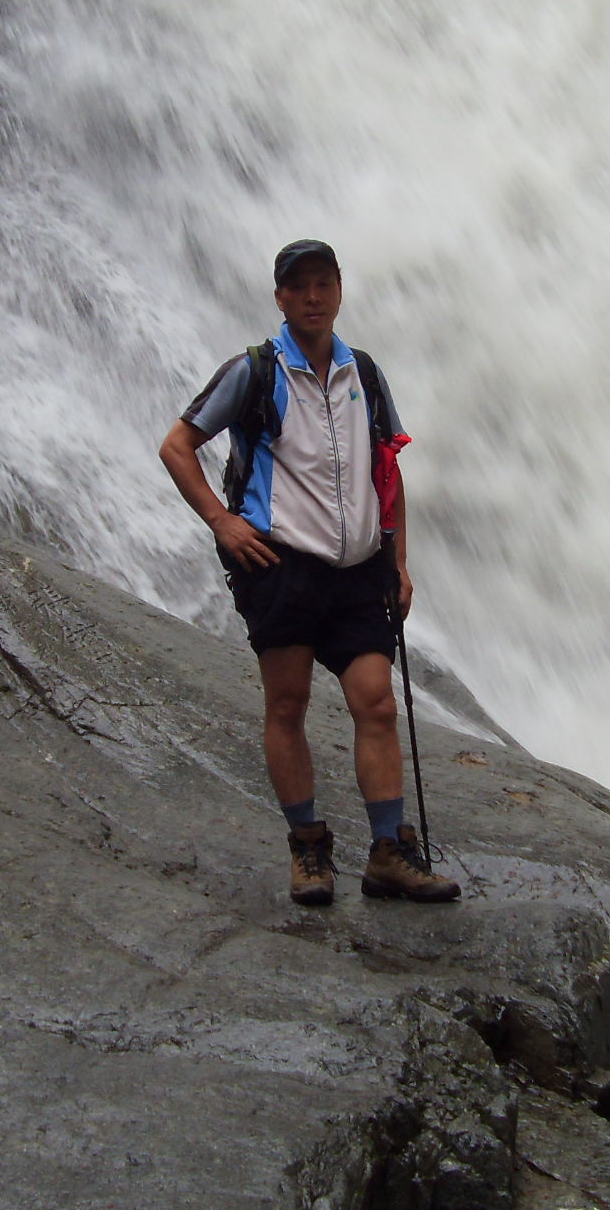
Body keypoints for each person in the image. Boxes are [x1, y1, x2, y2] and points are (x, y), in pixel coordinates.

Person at [158, 239, 459, 906]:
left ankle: (388, 853)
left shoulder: (366, 375)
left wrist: (399, 561)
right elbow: (178, 446)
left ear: (340, 290)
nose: (313, 297)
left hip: (357, 572)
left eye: (324, 284)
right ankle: (308, 849)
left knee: (376, 702)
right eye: (299, 288)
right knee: (287, 704)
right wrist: (222, 521)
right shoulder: (254, 371)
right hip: (282, 567)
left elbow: (388, 470)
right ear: (281, 299)